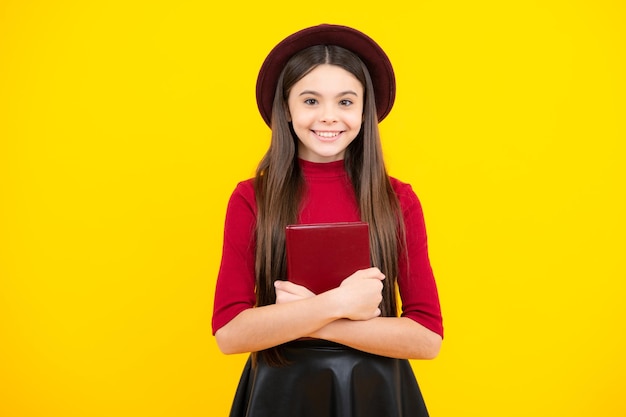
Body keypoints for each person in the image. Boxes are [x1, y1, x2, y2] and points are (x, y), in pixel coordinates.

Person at [212, 24, 443, 417]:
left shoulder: (398, 200)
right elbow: (230, 333)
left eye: (346, 102)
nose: (329, 117)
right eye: (311, 100)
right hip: (281, 394)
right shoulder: (252, 198)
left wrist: (304, 317)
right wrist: (340, 303)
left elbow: (427, 338)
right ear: (286, 107)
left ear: (365, 110)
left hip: (376, 394)